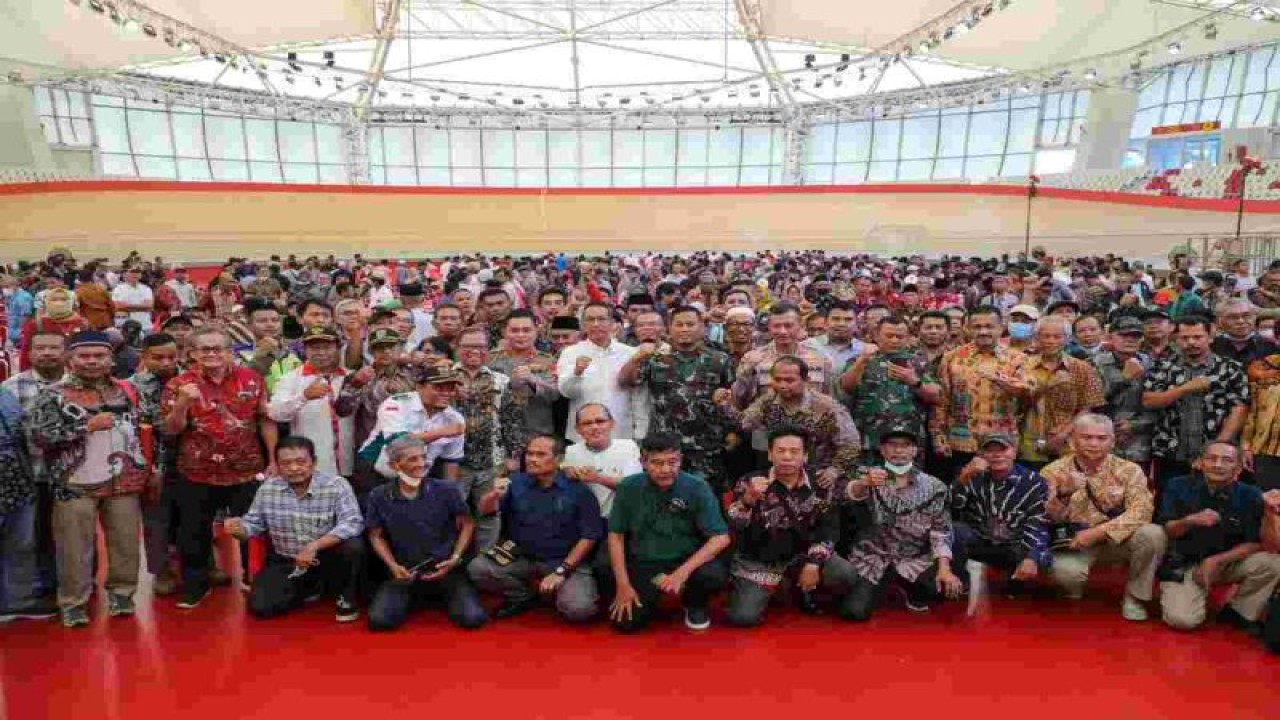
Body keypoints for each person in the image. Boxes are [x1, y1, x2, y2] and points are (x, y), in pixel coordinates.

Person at [29, 331, 150, 627]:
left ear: (111, 359)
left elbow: (147, 428)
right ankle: (73, 602)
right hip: (74, 483)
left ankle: (122, 595)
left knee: (125, 543)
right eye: (84, 356)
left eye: (99, 355)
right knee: (74, 548)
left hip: (125, 481)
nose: (92, 361)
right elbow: (39, 437)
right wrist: (86, 427)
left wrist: (151, 468)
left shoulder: (128, 390)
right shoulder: (53, 394)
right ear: (70, 359)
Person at [161, 327, 278, 608]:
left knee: (251, 529)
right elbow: (171, 430)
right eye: (205, 349)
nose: (212, 354)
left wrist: (273, 459)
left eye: (218, 348)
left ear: (229, 352)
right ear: (192, 354)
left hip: (247, 469)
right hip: (196, 472)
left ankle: (254, 579)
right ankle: (196, 585)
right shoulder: (179, 384)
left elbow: (265, 418)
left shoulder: (252, 379)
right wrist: (182, 403)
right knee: (193, 532)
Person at [724, 427, 856, 626]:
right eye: (781, 451)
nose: (787, 457)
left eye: (794, 451)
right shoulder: (749, 481)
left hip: (803, 554)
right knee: (743, 618)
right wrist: (747, 501)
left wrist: (814, 563)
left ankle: (805, 589)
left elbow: (829, 529)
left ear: (805, 456)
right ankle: (770, 588)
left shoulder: (820, 483)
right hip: (761, 559)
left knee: (846, 574)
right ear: (770, 454)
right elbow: (734, 526)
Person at [224, 437, 365, 622]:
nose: (294, 468)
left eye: (301, 462)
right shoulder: (267, 489)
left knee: (353, 546)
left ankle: (345, 596)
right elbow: (253, 524)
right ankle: (311, 587)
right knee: (260, 607)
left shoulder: (336, 485)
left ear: (314, 462)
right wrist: (238, 528)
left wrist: (314, 546)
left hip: (327, 557)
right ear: (278, 465)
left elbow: (353, 522)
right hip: (287, 560)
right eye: (286, 463)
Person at [606, 432, 730, 632]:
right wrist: (623, 585)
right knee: (627, 624)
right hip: (646, 560)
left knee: (713, 575)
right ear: (643, 462)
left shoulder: (697, 487)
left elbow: (720, 538)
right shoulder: (628, 487)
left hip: (687, 560)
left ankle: (694, 603)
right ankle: (651, 597)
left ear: (681, 459)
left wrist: (681, 574)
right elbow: (616, 535)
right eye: (657, 463)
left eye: (672, 462)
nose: (665, 469)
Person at [468, 435, 602, 622]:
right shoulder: (515, 482)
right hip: (522, 556)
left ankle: (560, 591)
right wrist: (493, 495)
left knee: (579, 610)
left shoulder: (579, 491)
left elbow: (589, 536)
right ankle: (522, 596)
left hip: (565, 561)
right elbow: (485, 511)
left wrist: (561, 571)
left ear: (559, 459)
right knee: (478, 568)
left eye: (540, 454)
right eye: (529, 454)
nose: (532, 459)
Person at [364, 435, 487, 631]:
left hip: (447, 571)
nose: (421, 464)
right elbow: (375, 535)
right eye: (412, 459)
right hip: (405, 574)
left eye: (423, 457)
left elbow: (468, 524)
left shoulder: (447, 490)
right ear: (394, 465)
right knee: (379, 622)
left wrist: (455, 558)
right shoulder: (379, 495)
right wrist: (393, 566)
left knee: (473, 619)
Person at [839, 429, 963, 620]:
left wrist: (944, 569)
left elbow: (941, 531)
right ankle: (880, 583)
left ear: (915, 451)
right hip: (873, 557)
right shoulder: (866, 475)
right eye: (892, 445)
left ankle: (910, 587)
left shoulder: (935, 486)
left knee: (938, 590)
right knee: (854, 613)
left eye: (905, 445)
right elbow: (846, 493)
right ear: (882, 450)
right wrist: (864, 483)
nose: (898, 450)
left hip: (914, 558)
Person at [1156, 441, 1280, 632]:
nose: (1218, 465)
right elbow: (1167, 530)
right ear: (1200, 462)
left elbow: (1262, 544)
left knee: (1273, 562)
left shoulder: (1251, 494)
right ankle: (1187, 594)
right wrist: (1190, 520)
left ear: (1239, 467)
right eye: (1212, 458)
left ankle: (1238, 611)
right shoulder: (1177, 485)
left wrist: (1269, 513)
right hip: (1184, 563)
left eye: (1227, 460)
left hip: (1227, 562)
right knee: (1182, 620)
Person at [618, 305, 735, 487]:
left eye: (690, 324)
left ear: (702, 328)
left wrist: (732, 431)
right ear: (669, 328)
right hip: (665, 446)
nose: (684, 329)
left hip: (705, 447)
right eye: (679, 324)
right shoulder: (655, 358)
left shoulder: (719, 359)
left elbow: (732, 399)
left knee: (704, 495)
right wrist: (637, 358)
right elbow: (625, 381)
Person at [718, 356, 861, 483]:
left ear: (806, 381)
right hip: (779, 473)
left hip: (816, 474)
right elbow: (745, 424)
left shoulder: (827, 407)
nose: (782, 385)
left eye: (789, 380)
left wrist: (834, 470)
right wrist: (725, 405)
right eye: (777, 380)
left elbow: (851, 444)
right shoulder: (767, 402)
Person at [1143, 316, 1249, 486]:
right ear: (1176, 339)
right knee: (1170, 499)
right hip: (1170, 452)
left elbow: (1239, 410)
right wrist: (1184, 389)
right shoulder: (1162, 366)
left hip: (1217, 457)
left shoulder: (1230, 368)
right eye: (1185, 338)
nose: (1191, 342)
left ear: (1210, 337)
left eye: (1197, 337)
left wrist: (1216, 449)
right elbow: (1148, 401)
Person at [932, 306, 1030, 475]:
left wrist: (1002, 381)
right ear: (967, 328)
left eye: (989, 326)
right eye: (977, 327)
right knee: (963, 485)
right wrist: (938, 436)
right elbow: (941, 400)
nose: (983, 331)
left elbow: (1028, 394)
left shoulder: (1017, 359)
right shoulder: (952, 358)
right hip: (961, 441)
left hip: (1002, 442)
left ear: (1001, 327)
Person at [950, 434, 1050, 598]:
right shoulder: (972, 475)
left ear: (1014, 453)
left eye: (1003, 450)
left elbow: (1038, 521)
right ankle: (961, 582)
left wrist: (1031, 557)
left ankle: (1017, 579)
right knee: (953, 531)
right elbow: (952, 506)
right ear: (981, 455)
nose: (996, 455)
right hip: (981, 540)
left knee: (1042, 557)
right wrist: (964, 476)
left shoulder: (1034, 481)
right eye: (990, 450)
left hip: (1015, 543)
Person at [452, 325, 521, 550]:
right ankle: (452, 558)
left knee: (490, 513)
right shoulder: (444, 378)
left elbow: (511, 420)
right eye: (469, 346)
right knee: (452, 513)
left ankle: (485, 558)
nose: (475, 351)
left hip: (493, 460)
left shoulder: (501, 380)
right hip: (454, 462)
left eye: (481, 346)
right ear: (457, 348)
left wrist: (513, 455)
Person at [129, 333, 183, 596]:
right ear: (144, 357)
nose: (166, 363)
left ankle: (202, 563)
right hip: (151, 461)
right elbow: (143, 429)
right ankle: (161, 570)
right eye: (158, 357)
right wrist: (153, 469)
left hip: (192, 458)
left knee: (194, 516)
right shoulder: (131, 387)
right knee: (156, 519)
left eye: (171, 357)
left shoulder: (192, 380)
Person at [840, 315, 939, 454]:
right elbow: (846, 387)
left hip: (908, 441)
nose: (894, 340)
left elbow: (936, 396)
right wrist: (861, 361)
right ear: (877, 336)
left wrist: (914, 382)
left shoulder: (919, 363)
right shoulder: (860, 360)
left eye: (900, 337)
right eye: (889, 336)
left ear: (908, 338)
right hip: (869, 439)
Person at [268, 325, 356, 479]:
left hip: (349, 463)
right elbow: (275, 413)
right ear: (305, 350)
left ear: (337, 348)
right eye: (315, 348)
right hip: (312, 467)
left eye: (327, 347)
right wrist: (303, 396)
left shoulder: (351, 377)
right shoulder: (291, 379)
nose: (321, 353)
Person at [1017, 317, 1105, 469]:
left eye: (1057, 336)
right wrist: (1044, 388)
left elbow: (1087, 407)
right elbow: (1017, 404)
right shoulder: (1023, 366)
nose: (1051, 341)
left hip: (1067, 444)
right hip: (1029, 442)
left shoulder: (1082, 368)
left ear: (1067, 339)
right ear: (1036, 338)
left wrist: (1062, 435)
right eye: (1046, 336)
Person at [362, 363, 466, 482]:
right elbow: (398, 443)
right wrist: (442, 432)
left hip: (417, 475)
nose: (446, 393)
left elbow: (451, 461)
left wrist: (451, 489)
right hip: (376, 469)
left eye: (451, 388)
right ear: (419, 387)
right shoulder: (396, 403)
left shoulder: (455, 418)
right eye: (438, 388)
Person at [0, 382, 50, 621]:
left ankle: (19, 600)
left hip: (16, 476)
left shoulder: (5, 394)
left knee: (21, 540)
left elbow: (21, 436)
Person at [557, 302, 638, 443]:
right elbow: (566, 392)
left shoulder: (629, 353)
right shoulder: (570, 353)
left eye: (601, 319)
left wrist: (639, 430)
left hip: (621, 433)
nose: (595, 324)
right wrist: (576, 373)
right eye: (590, 319)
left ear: (612, 323)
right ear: (583, 324)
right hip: (583, 436)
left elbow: (637, 395)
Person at [561, 403, 642, 527]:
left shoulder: (628, 447)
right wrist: (567, 475)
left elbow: (634, 488)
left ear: (612, 424)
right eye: (587, 423)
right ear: (578, 429)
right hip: (584, 522)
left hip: (620, 521)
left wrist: (598, 478)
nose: (594, 427)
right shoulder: (571, 451)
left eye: (600, 421)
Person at [487, 310, 559, 443]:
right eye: (514, 330)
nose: (521, 335)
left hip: (537, 434)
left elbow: (555, 395)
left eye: (526, 330)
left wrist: (533, 381)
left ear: (536, 331)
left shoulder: (548, 360)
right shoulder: (490, 359)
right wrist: (508, 385)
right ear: (504, 332)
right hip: (499, 435)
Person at [1093, 316, 1157, 466]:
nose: (1130, 339)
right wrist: (1124, 379)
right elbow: (1092, 402)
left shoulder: (1154, 365)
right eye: (1124, 335)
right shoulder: (1095, 363)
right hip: (1100, 438)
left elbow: (1160, 406)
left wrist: (1135, 425)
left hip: (1139, 443)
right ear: (1111, 337)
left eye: (1135, 336)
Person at [1242, 343, 1280, 489]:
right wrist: (1246, 447)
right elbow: (1252, 413)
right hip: (1264, 451)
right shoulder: (1263, 367)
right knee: (1265, 499)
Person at [1211, 298, 1277, 366]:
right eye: (1233, 317)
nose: (1241, 321)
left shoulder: (1269, 345)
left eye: (1246, 315)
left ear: (1254, 318)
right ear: (1220, 321)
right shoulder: (1213, 345)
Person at [110, 266, 153, 330]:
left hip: (145, 325)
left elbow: (149, 306)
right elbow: (117, 306)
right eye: (132, 272)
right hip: (126, 326)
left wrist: (127, 306)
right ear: (125, 274)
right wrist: (142, 308)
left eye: (137, 272)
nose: (135, 274)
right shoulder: (118, 289)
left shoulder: (146, 288)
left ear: (140, 275)